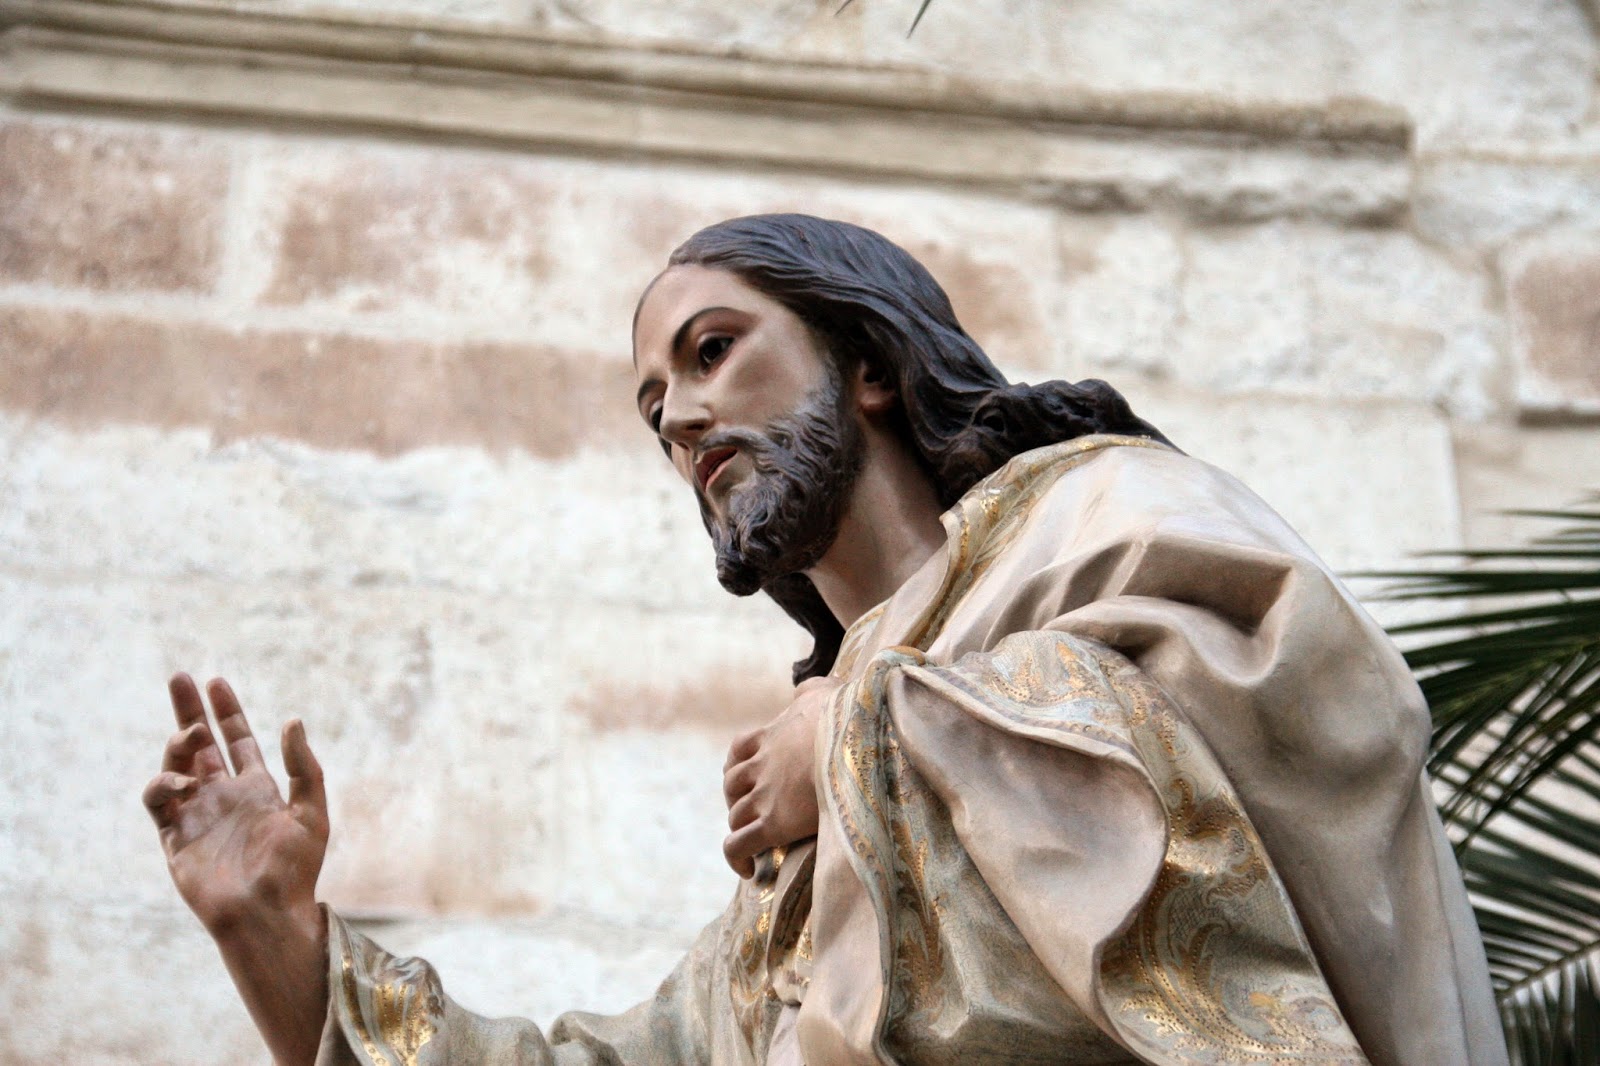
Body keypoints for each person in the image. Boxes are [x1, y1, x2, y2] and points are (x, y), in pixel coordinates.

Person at [144, 214, 1508, 1065]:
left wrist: (861, 728)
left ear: (863, 362)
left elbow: (1304, 714)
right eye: (650, 405)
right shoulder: (804, 854)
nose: (678, 417)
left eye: (713, 349)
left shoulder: (1098, 513)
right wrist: (283, 942)